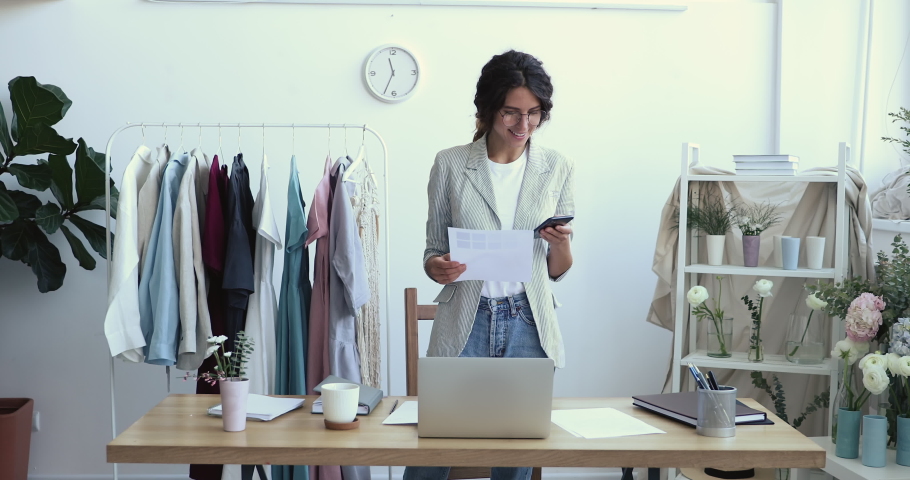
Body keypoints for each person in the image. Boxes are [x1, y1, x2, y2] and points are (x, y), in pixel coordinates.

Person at [406, 50, 575, 480]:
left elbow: (558, 268)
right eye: (511, 113)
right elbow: (431, 249)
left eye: (534, 114)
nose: (523, 126)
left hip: (528, 321)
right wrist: (435, 267)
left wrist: (560, 244)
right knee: (435, 445)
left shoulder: (557, 167)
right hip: (468, 315)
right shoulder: (450, 163)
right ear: (488, 109)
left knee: (516, 452)